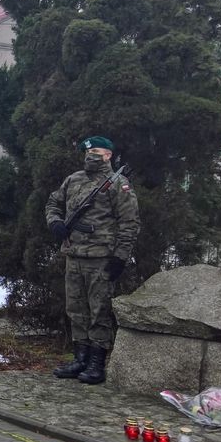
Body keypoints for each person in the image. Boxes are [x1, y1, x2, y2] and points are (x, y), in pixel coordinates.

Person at [45, 136, 139, 385]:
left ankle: (97, 363)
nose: (90, 156)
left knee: (99, 311)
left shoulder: (118, 184)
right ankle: (80, 358)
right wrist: (54, 222)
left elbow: (129, 223)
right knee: (76, 310)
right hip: (74, 255)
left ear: (108, 154)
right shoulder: (73, 179)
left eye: (96, 151)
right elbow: (53, 202)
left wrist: (120, 257)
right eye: (88, 152)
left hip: (101, 257)